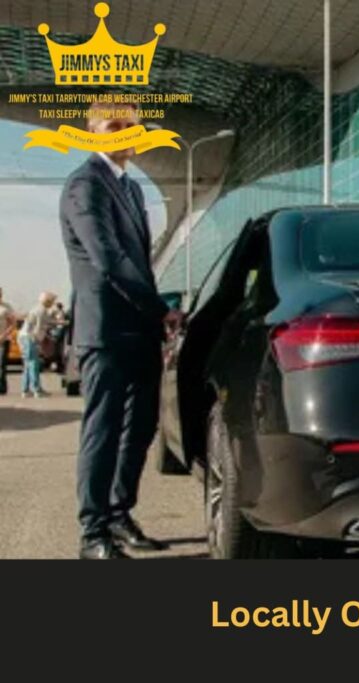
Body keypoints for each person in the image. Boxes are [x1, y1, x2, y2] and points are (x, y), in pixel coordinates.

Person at [60, 100, 182, 559]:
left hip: (139, 331)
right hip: (107, 329)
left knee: (140, 427)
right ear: (93, 132)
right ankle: (92, 534)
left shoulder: (130, 187)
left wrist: (153, 315)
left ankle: (118, 513)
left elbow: (139, 262)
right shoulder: (85, 185)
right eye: (114, 125)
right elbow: (108, 258)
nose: (125, 133)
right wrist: (160, 309)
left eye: (132, 126)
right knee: (104, 430)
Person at [17, 291, 57, 398]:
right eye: (52, 301)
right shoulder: (42, 311)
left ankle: (25, 390)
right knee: (33, 364)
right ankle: (36, 389)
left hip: (24, 337)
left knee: (28, 365)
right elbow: (39, 327)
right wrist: (37, 341)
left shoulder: (37, 309)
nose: (53, 303)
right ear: (47, 301)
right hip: (29, 338)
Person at [0, 287, 14, 395]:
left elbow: (12, 323)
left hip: (3, 339)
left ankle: (1, 387)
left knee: (1, 364)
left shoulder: (6, 307)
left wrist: (3, 335)